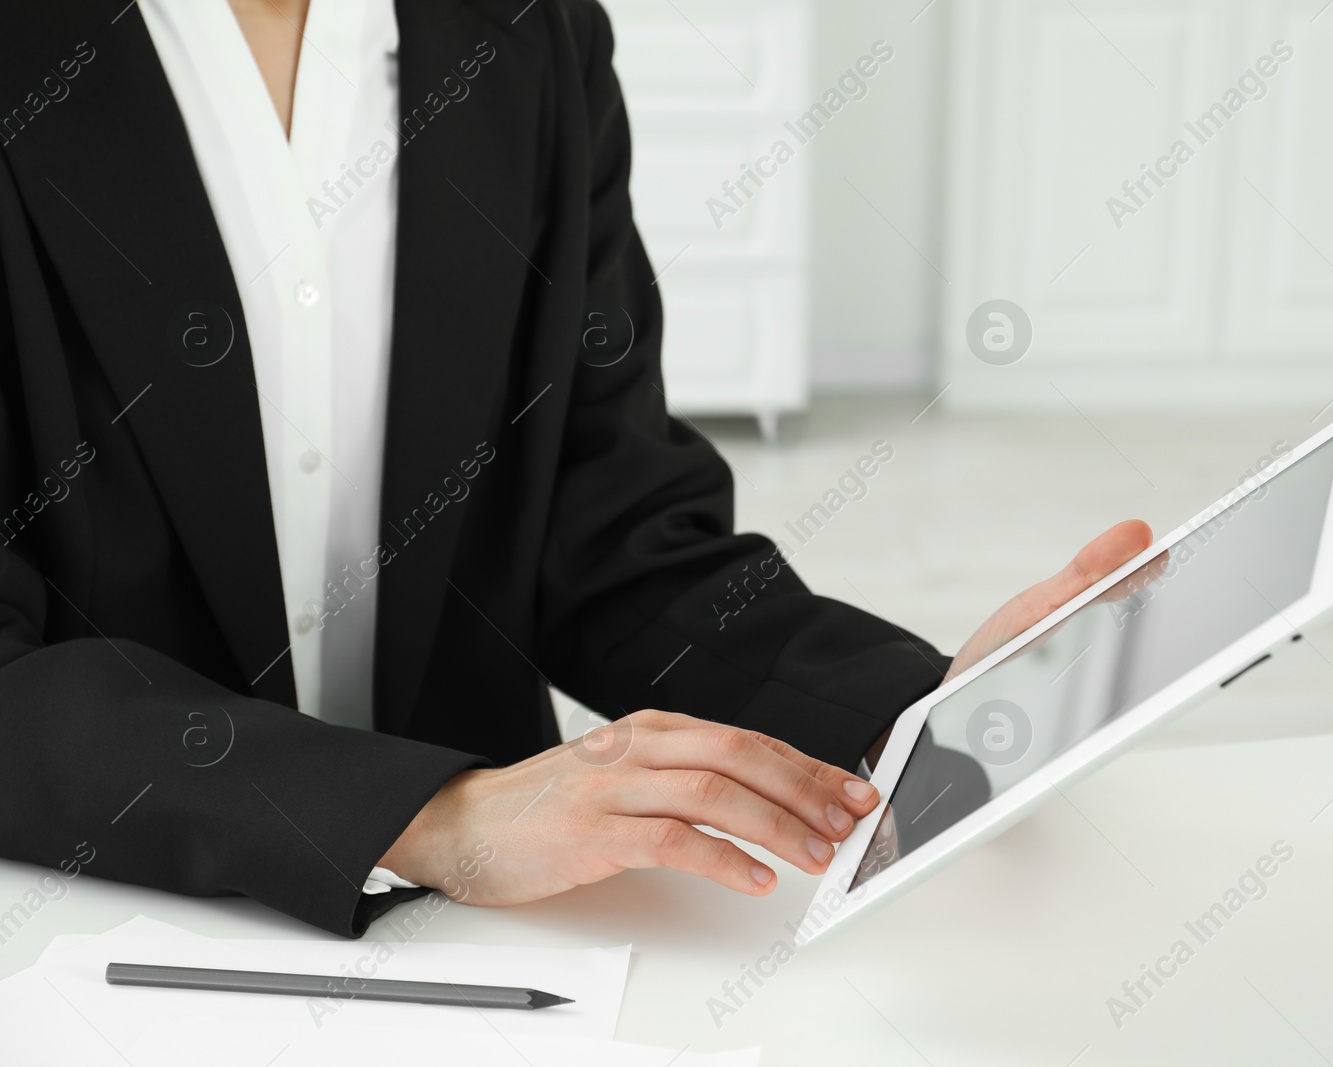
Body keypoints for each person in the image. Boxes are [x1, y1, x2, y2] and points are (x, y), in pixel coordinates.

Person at [0, 0, 1149, 936]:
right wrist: (427, 811)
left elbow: (605, 531)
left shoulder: (529, 37)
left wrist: (910, 713)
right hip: (104, 914)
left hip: (485, 942)